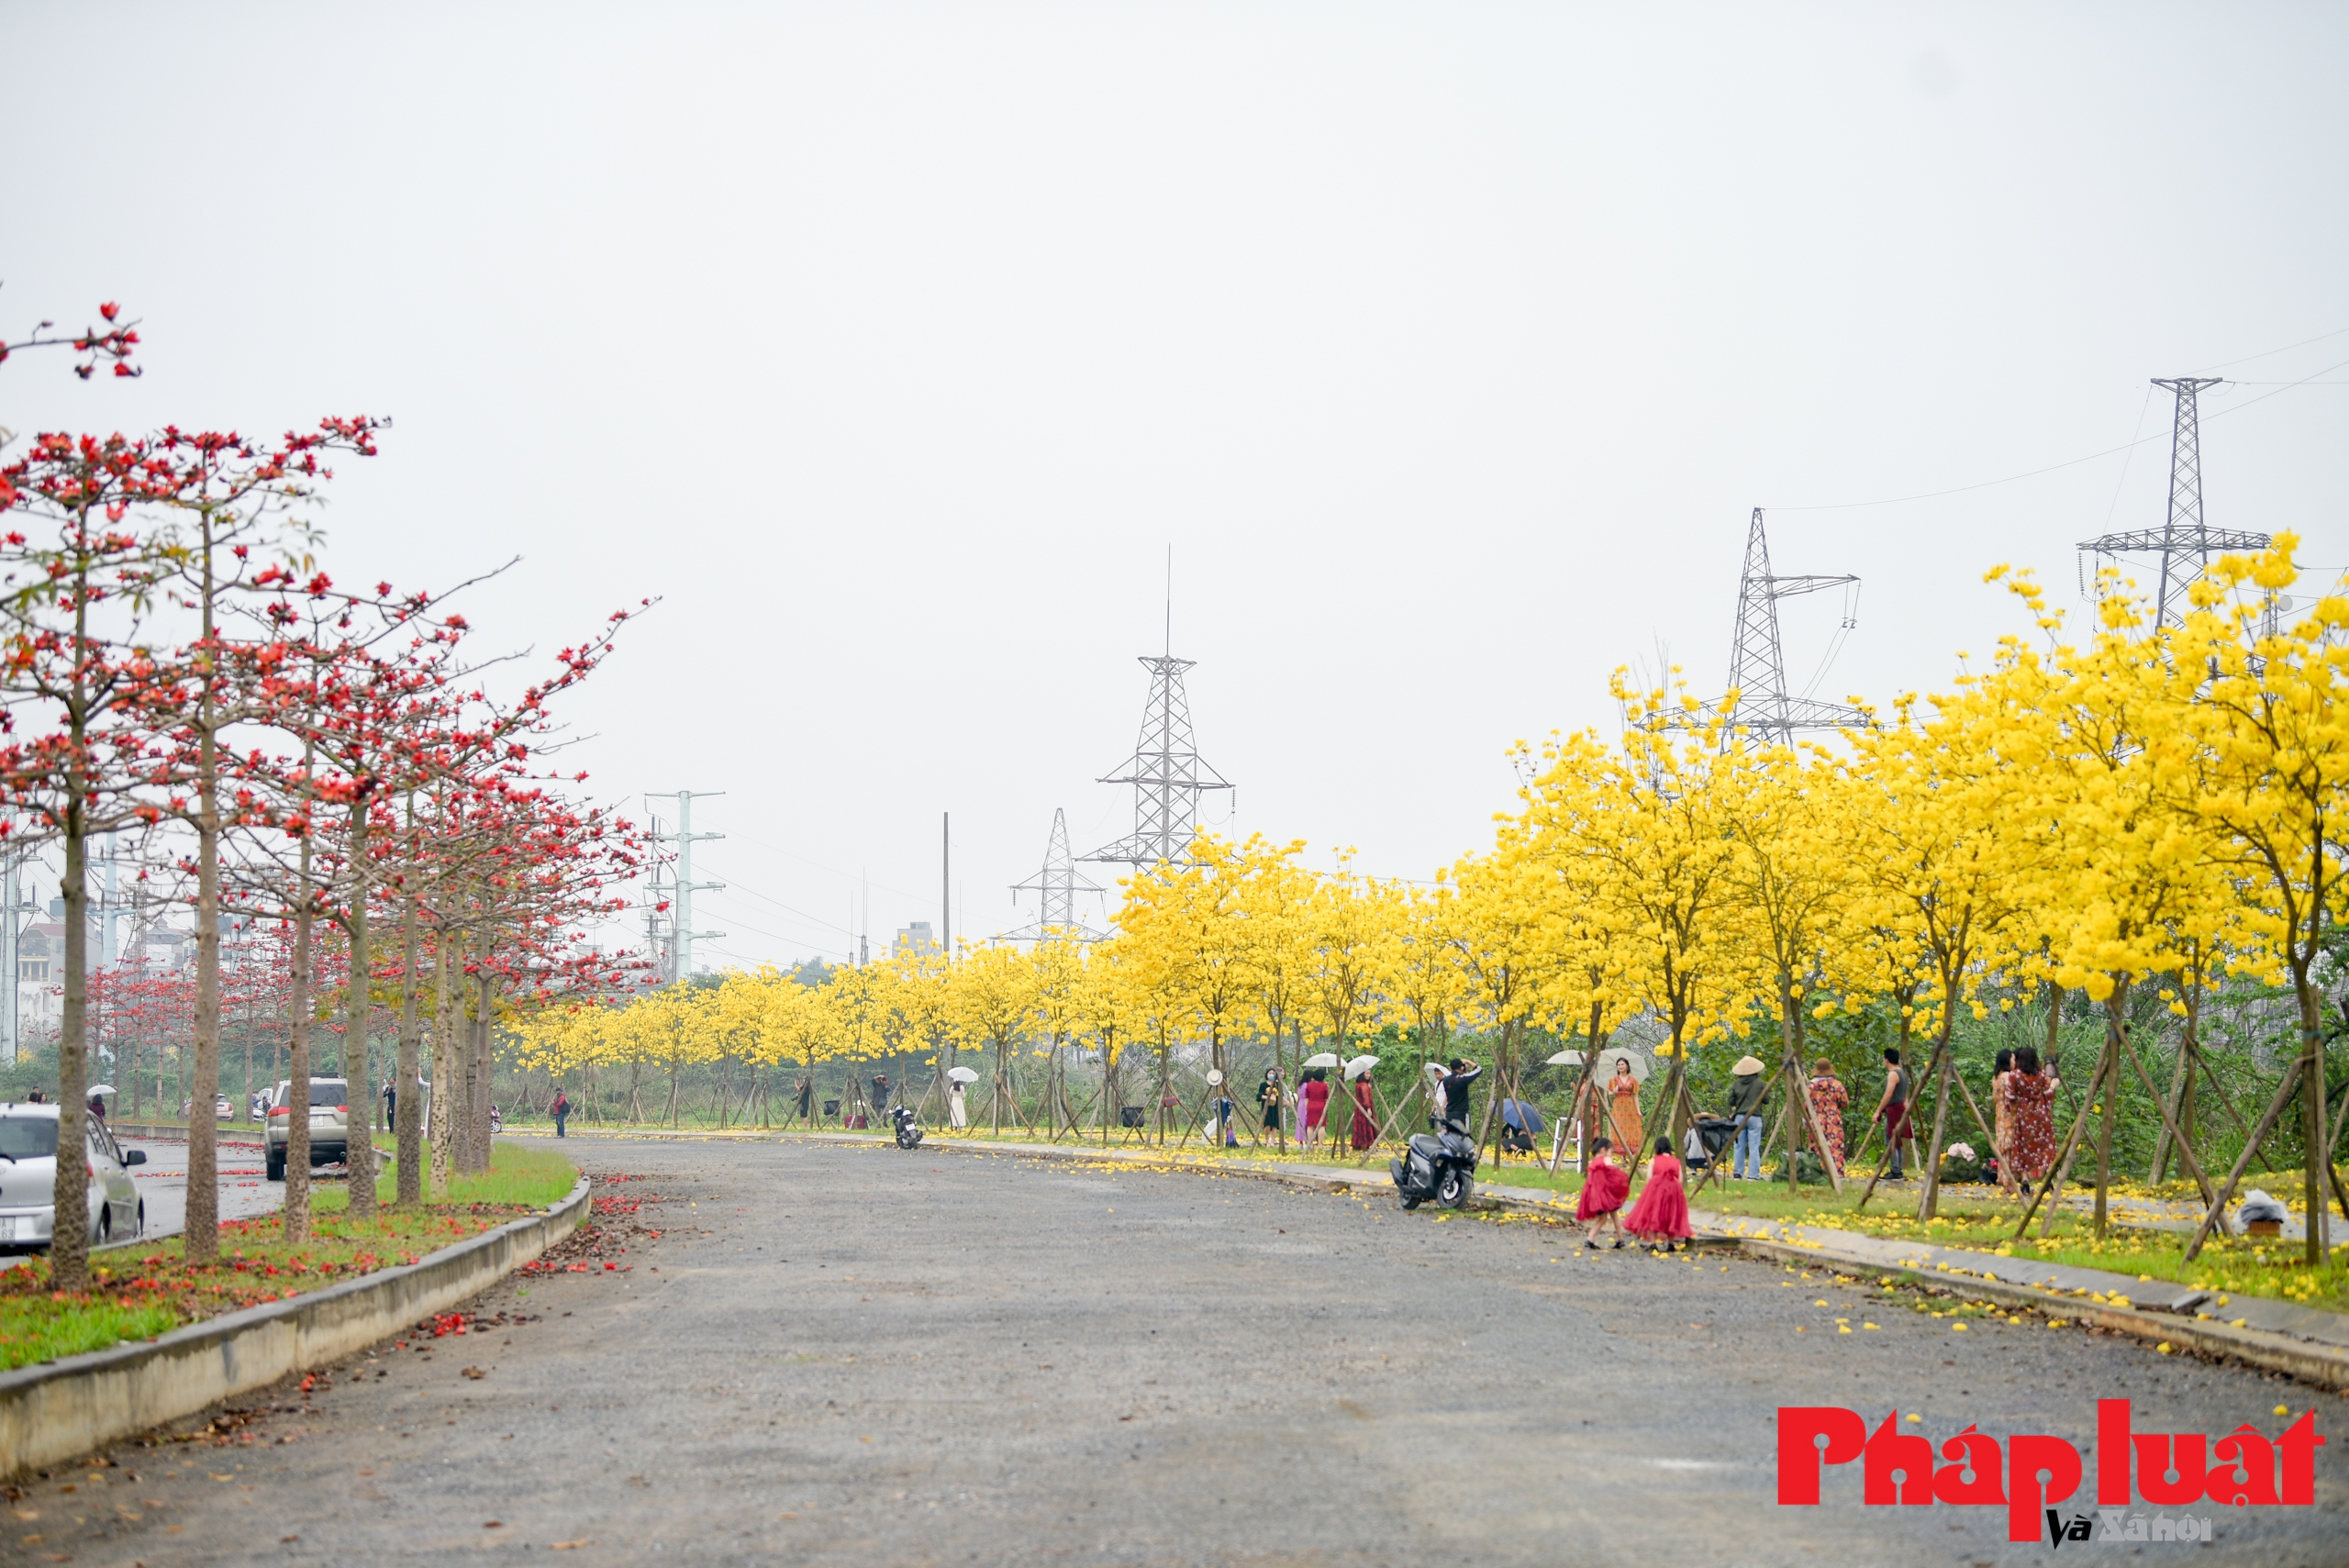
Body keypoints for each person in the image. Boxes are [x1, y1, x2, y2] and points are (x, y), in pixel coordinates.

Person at [1999, 1046, 2058, 1185]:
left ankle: (2025, 1179)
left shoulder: (2015, 1075)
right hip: (2041, 1115)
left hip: (2024, 1115)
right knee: (2045, 1145)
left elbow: (2010, 1095)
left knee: (2022, 1146)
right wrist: (2053, 1087)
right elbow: (2047, 1094)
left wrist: (2012, 1106)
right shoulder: (2042, 1074)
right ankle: (2046, 1176)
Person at [1624, 1136, 1693, 1250]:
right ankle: (1671, 1244)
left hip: (1656, 1191)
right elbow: (1680, 1179)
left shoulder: (1654, 1160)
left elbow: (1649, 1177)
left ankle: (1653, 1243)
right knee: (1671, 1216)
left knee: (1653, 1215)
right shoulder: (1676, 1161)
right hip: (1673, 1190)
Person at [1577, 1136, 1631, 1249]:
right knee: (1609, 1217)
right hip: (1606, 1196)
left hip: (1596, 1196)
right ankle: (1592, 1239)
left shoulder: (1593, 1163)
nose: (1611, 1155)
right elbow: (1613, 1175)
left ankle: (1618, 1239)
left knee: (1607, 1217)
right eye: (1611, 1152)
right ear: (1603, 1150)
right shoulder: (1606, 1160)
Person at [1726, 1054, 1767, 1180]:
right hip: (1755, 1117)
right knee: (1754, 1147)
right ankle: (1753, 1175)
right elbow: (1766, 1100)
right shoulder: (1760, 1083)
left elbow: (1730, 1101)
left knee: (1739, 1146)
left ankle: (1738, 1173)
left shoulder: (1736, 1085)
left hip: (1739, 1117)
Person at [1875, 1049, 1912, 1178]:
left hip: (1895, 1109)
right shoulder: (1902, 1073)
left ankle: (1896, 1170)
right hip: (1900, 1107)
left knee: (1890, 1140)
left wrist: (1878, 1110)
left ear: (1886, 1060)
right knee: (1896, 1140)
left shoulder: (1893, 1074)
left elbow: (1888, 1095)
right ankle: (1897, 1169)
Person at [1806, 1058, 1848, 1173]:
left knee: (1817, 1145)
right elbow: (1844, 1102)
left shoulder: (1811, 1086)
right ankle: (1836, 1172)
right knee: (1835, 1146)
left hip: (1816, 1119)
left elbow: (1806, 1104)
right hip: (1833, 1119)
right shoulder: (1837, 1085)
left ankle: (1818, 1172)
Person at [1989, 1048, 2017, 1195]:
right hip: (2009, 1113)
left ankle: (2003, 1178)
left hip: (1999, 1112)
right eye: (2013, 1059)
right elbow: (2012, 1095)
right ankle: (2008, 1181)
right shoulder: (2008, 1076)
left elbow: (1995, 1097)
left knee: (2003, 1145)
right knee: (2009, 1147)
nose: (2015, 1061)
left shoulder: (1996, 1077)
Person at [1606, 1058, 1642, 1155]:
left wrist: (1638, 1110)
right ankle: (1622, 1154)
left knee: (1631, 1127)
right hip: (1618, 1106)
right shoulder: (1614, 1079)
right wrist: (1613, 1092)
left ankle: (1630, 1152)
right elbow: (1607, 1094)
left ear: (1627, 1066)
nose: (1620, 1066)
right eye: (1618, 1065)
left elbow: (1635, 1095)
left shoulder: (1633, 1080)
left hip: (1630, 1105)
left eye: (1622, 1064)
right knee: (1619, 1127)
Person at [1438, 1057, 1482, 1136]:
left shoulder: (1446, 1080)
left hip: (1450, 1113)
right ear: (1461, 1067)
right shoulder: (1463, 1079)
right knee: (1465, 1136)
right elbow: (1479, 1069)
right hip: (1462, 1114)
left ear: (1450, 1068)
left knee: (1451, 1136)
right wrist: (1467, 1061)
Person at [1298, 1068, 1330, 1150]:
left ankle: (1310, 1144)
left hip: (1311, 1106)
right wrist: (1326, 1108)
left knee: (1310, 1126)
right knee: (1321, 1126)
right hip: (1321, 1106)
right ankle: (1320, 1144)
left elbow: (1307, 1098)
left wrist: (1306, 1109)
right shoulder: (1325, 1086)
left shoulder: (1309, 1085)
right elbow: (1326, 1099)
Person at [1349, 1070, 1377, 1151]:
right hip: (1364, 1108)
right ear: (1362, 1074)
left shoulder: (1358, 1084)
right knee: (1365, 1125)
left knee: (1359, 1125)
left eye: (1369, 1073)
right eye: (1367, 1073)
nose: (1369, 1075)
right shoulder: (1364, 1085)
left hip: (1358, 1107)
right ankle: (1365, 1143)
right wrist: (1368, 1108)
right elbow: (1366, 1098)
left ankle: (1357, 1143)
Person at [1258, 1067, 1286, 1144]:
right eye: (1270, 1073)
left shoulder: (1277, 1084)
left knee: (1275, 1123)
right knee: (1267, 1123)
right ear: (1267, 1074)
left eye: (1273, 1073)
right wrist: (1266, 1096)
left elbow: (1281, 1095)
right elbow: (1259, 1095)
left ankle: (1273, 1139)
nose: (1271, 1075)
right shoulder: (1263, 1084)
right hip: (1266, 1106)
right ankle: (1266, 1139)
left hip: (1275, 1106)